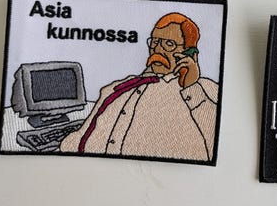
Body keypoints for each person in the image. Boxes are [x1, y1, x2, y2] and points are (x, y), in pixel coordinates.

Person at [60, 13, 218, 162]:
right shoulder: (117, 88)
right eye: (154, 42)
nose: (158, 50)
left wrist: (191, 87)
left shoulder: (205, 91)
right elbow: (80, 136)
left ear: (190, 55)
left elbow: (215, 143)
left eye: (169, 44)